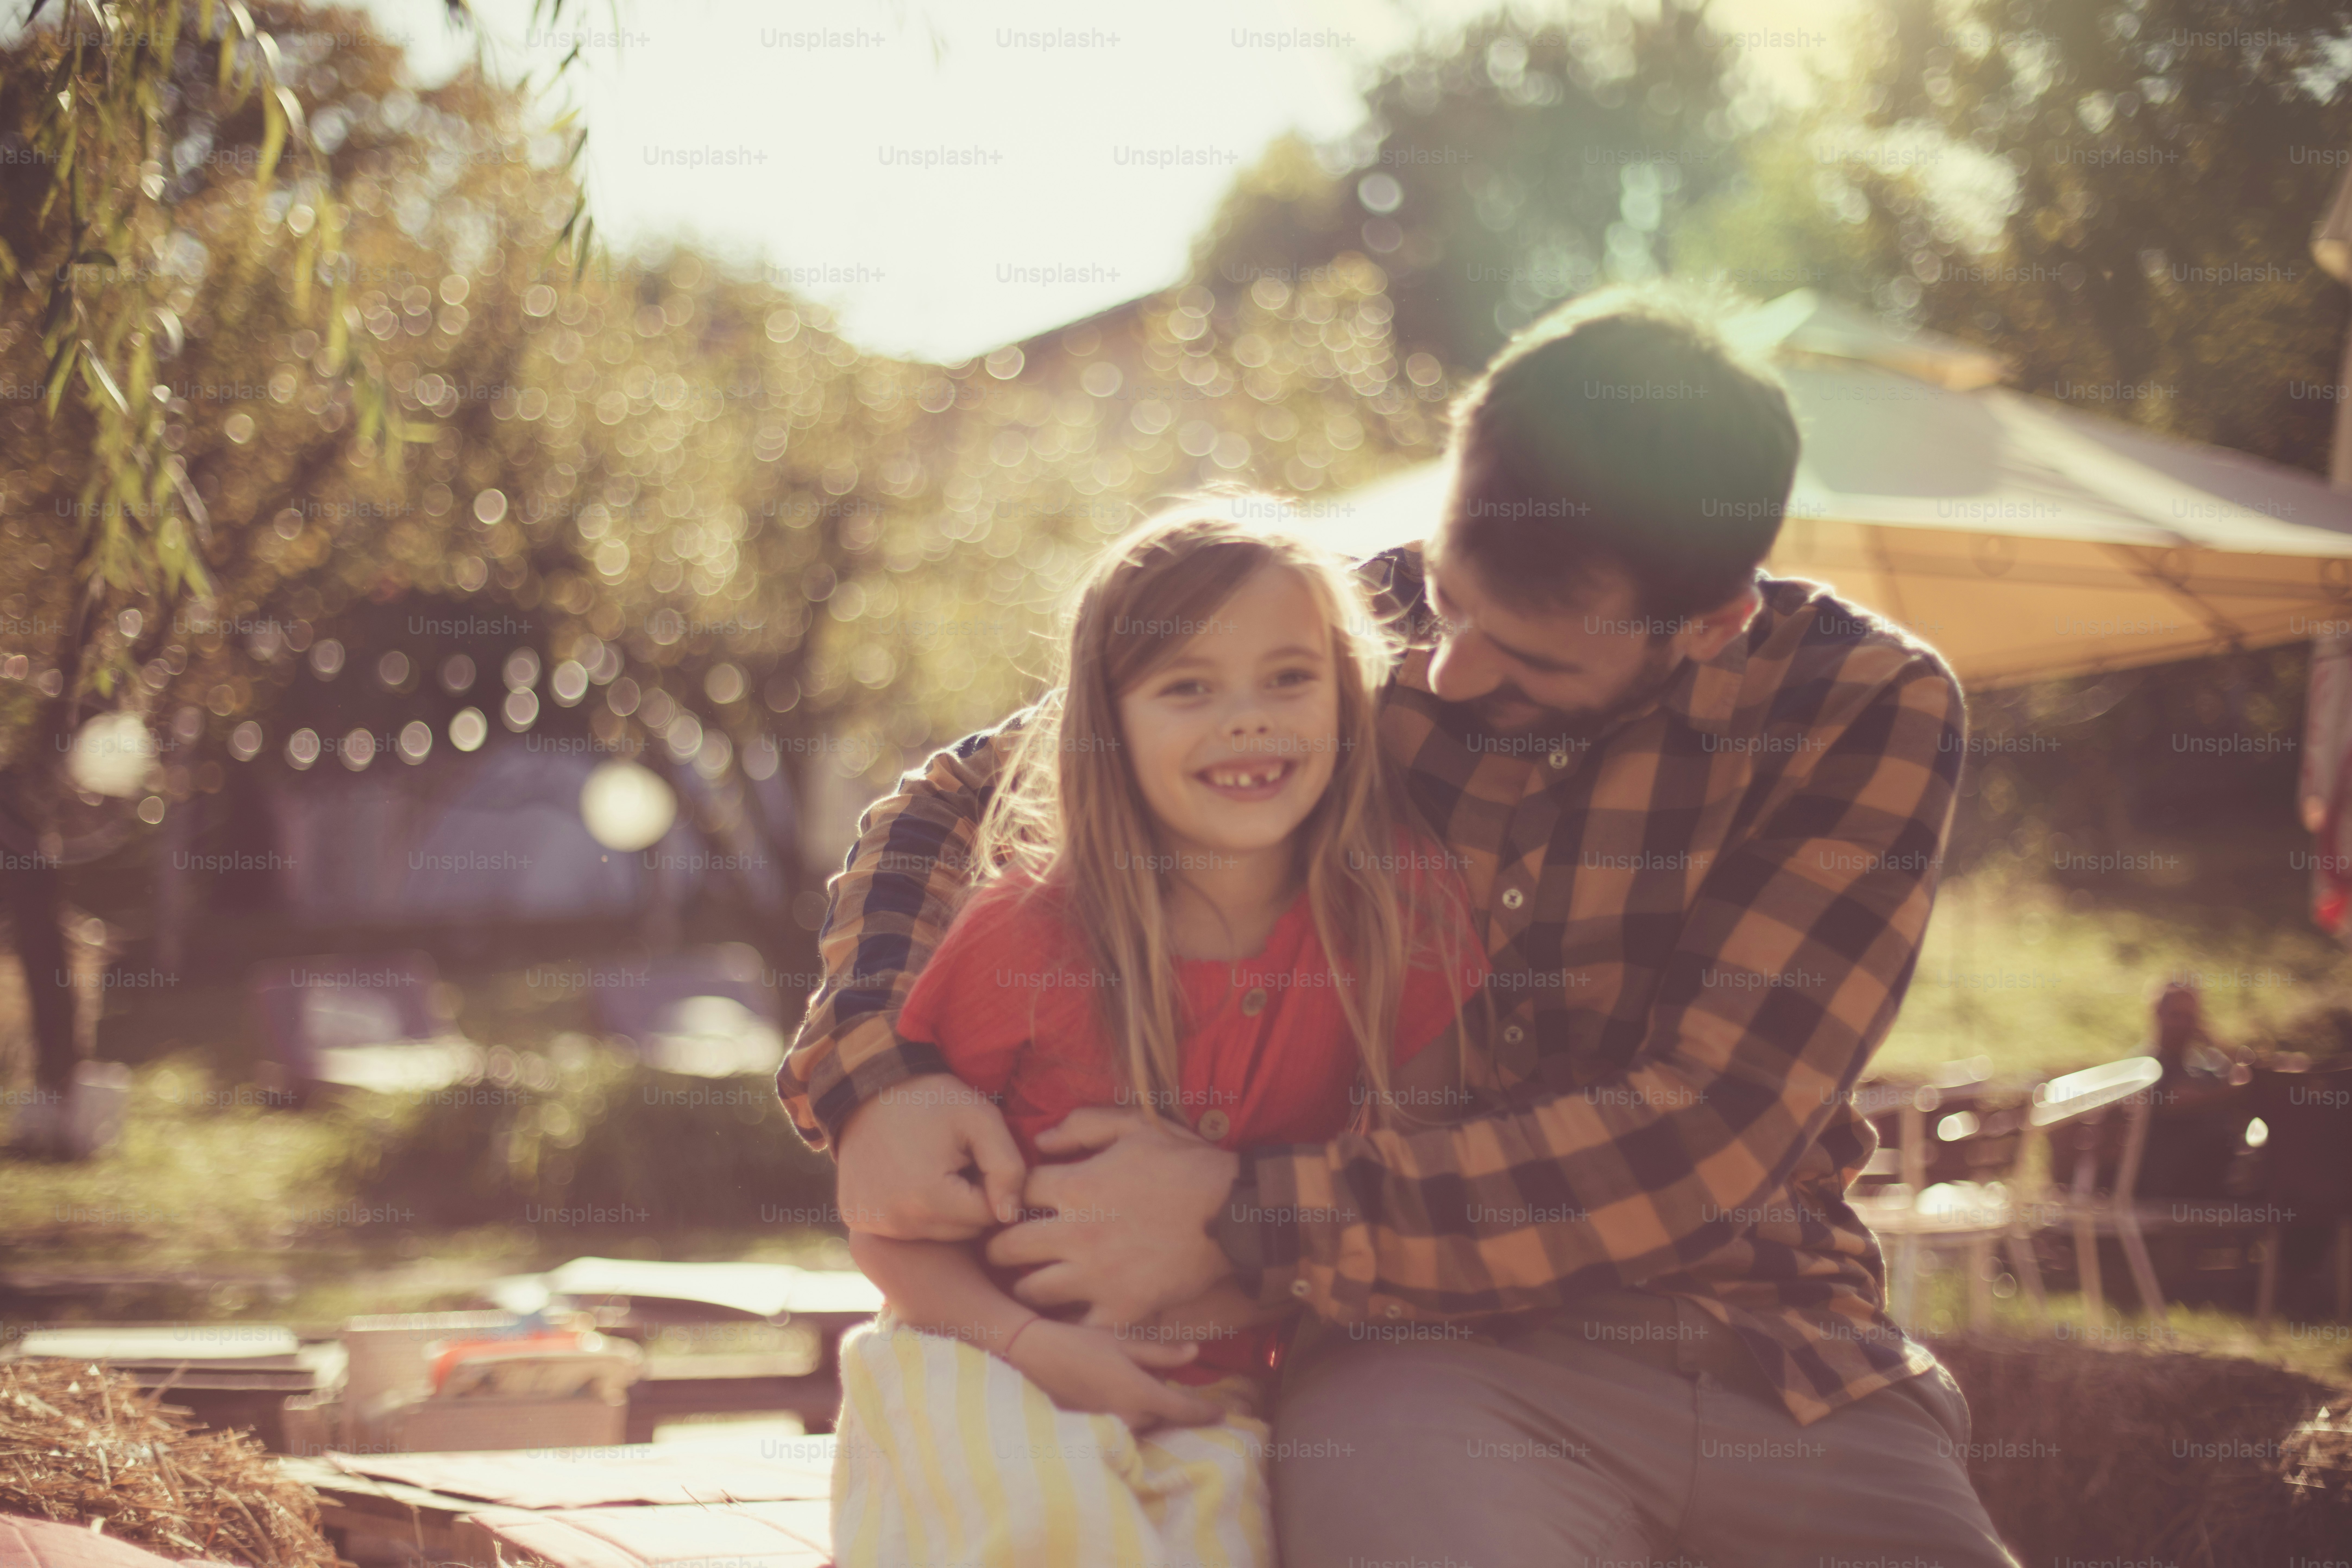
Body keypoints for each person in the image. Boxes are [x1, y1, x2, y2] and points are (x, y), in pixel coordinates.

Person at [786, 282, 2022, 1567]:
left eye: (1532, 660)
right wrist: (876, 1073)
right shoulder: (1334, 631)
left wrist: (1245, 1212)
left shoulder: (1864, 705)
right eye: (1447, 594)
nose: (1444, 672)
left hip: (1782, 1352)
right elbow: (956, 797)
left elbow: (1704, 1132)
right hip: (1428, 1352)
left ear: (1710, 624)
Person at [826, 511, 1489, 1568]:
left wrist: (1240, 1291)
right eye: (1187, 686)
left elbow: (1417, 1193)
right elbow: (892, 1227)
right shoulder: (1025, 932)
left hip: (1217, 1391)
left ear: (1351, 696)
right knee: (1047, 1531)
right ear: (1106, 722)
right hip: (980, 1361)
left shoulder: (1401, 917)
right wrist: (1038, 1348)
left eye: (1288, 678)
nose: (1247, 720)